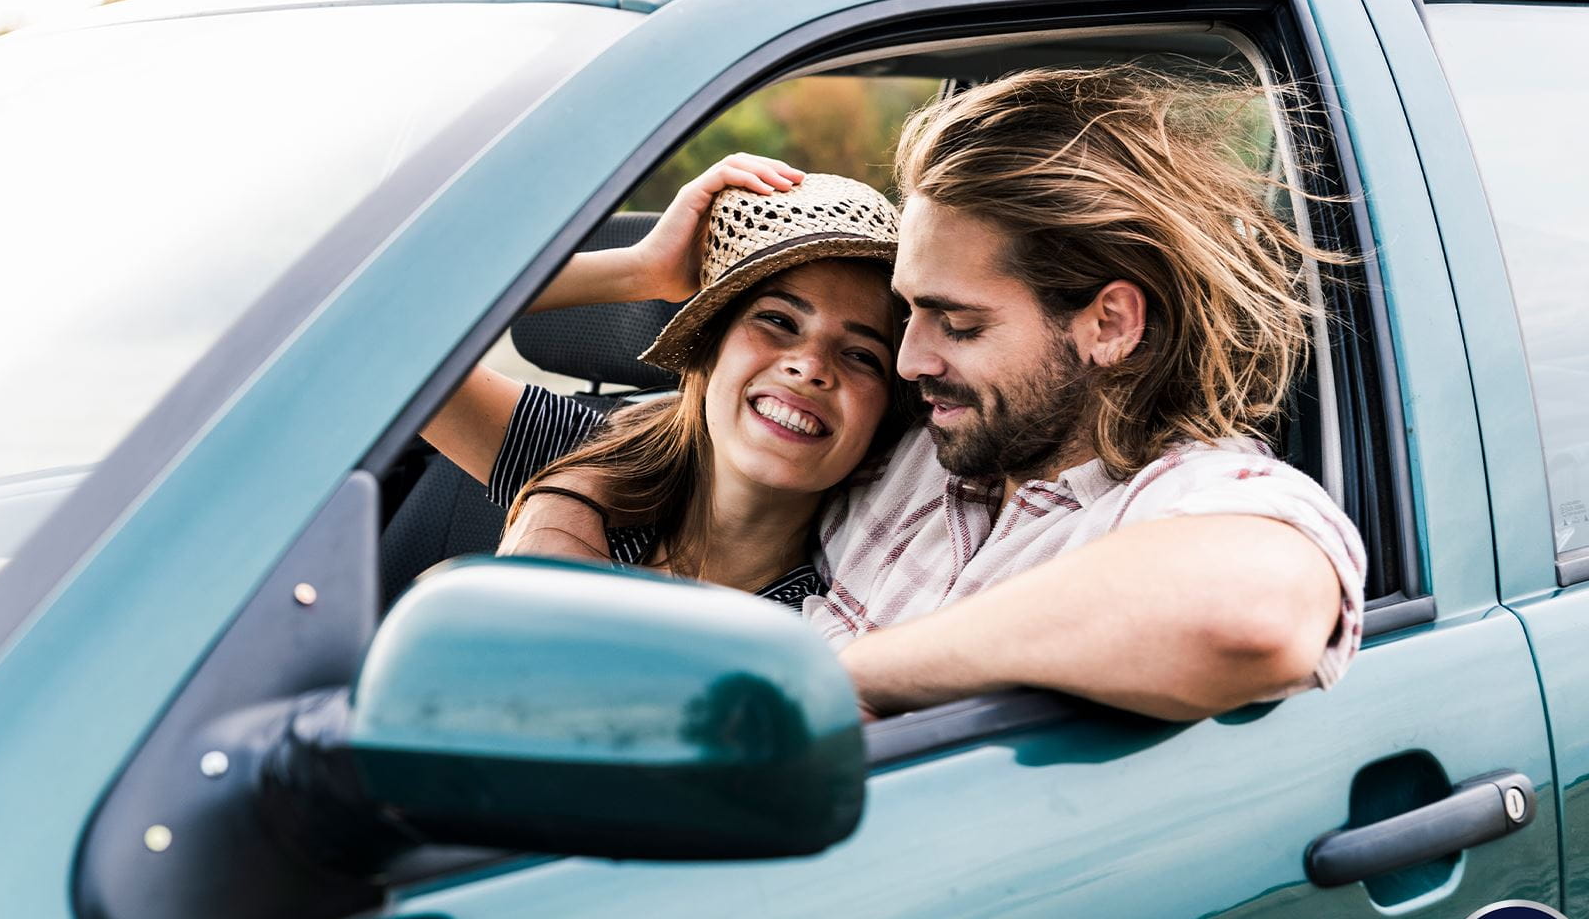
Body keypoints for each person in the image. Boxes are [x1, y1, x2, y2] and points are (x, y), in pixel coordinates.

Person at [522, 66, 1367, 722]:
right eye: (909, 313)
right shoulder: (923, 446)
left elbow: (1250, 614)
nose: (908, 360)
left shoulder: (1180, 498)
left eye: (956, 324)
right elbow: (665, 442)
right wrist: (633, 275)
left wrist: (830, 679)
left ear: (1107, 323)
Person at [421, 161, 910, 608]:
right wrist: (638, 272)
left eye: (862, 356)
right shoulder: (587, 451)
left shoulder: (826, 621)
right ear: (709, 347)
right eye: (778, 322)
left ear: (885, 411)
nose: (810, 367)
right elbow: (383, 324)